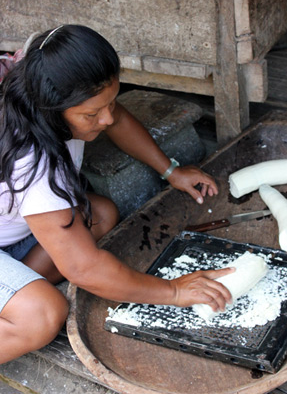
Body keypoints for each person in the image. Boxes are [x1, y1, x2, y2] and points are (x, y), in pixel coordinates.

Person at [0, 25, 234, 364]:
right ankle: (17, 298)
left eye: (110, 101)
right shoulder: (33, 161)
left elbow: (119, 119)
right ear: (53, 109)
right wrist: (174, 291)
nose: (106, 117)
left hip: (13, 234)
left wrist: (170, 171)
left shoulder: (45, 84)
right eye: (92, 114)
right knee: (43, 314)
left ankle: (14, 285)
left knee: (103, 215)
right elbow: (84, 269)